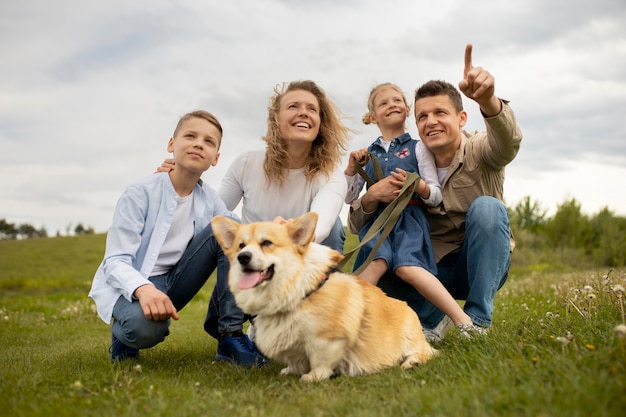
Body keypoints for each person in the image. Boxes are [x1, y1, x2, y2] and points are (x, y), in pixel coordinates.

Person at [347, 44, 522, 342]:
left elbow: (508, 142)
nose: (431, 122)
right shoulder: (406, 158)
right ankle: (429, 317)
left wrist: (489, 100)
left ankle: (477, 322)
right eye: (423, 116)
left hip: (476, 265)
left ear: (462, 118)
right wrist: (372, 195)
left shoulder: (481, 149)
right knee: (384, 255)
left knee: (488, 209)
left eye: (440, 112)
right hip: (427, 268)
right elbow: (355, 223)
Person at [159, 80, 351, 339]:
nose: (303, 113)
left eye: (312, 109)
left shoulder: (332, 175)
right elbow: (208, 218)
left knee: (335, 229)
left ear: (321, 122)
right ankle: (233, 328)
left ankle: (310, 318)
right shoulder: (247, 163)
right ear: (276, 118)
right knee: (226, 222)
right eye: (293, 106)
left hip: (291, 279)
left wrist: (285, 233)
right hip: (246, 277)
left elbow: (323, 223)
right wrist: (175, 182)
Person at [89, 110, 267, 366]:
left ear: (215, 158)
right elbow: (115, 261)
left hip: (179, 280)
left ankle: (230, 335)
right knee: (144, 329)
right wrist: (144, 289)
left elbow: (244, 234)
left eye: (208, 141)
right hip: (136, 282)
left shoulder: (210, 200)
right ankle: (125, 337)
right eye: (190, 136)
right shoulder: (139, 193)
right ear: (171, 144)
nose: (198, 144)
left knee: (234, 229)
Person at [344, 82, 475, 331]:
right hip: (377, 224)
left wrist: (418, 186)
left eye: (397, 101)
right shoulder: (366, 154)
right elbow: (350, 197)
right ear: (372, 116)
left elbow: (435, 195)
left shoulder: (419, 147)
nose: (391, 105)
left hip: (409, 220)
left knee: (409, 268)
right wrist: (351, 170)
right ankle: (341, 320)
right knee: (374, 264)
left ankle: (463, 321)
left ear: (407, 110)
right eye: (383, 103)